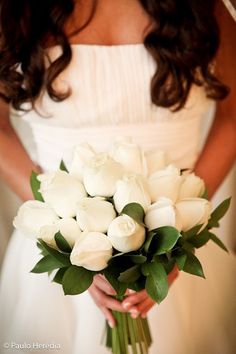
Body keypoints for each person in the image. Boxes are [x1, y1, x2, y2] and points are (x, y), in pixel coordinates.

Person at [0, 0, 235, 353]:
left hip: (181, 261)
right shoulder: (16, 11)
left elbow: (232, 117)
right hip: (57, 257)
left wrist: (178, 234)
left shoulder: (205, 7)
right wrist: (66, 235)